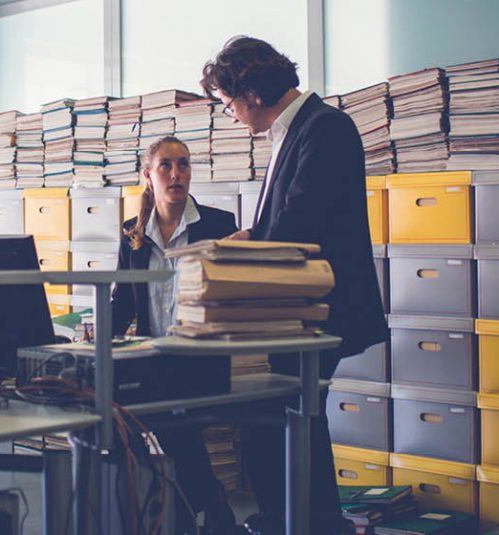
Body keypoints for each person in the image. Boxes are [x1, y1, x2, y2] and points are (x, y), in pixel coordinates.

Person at [201, 36, 389, 535]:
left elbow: (301, 219)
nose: (232, 115)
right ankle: (291, 520)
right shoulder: (294, 131)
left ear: (251, 94)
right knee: (287, 416)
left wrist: (245, 241)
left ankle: (308, 522)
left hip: (320, 307)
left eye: (227, 104)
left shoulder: (325, 127)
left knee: (289, 416)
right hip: (295, 308)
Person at [111, 135, 239, 534]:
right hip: (154, 360)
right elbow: (123, 304)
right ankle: (201, 506)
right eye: (165, 165)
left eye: (183, 164)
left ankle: (196, 506)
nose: (175, 173)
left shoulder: (217, 225)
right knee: (112, 417)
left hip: (201, 362)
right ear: (148, 175)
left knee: (169, 422)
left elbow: (232, 296)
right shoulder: (134, 233)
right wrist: (99, 346)